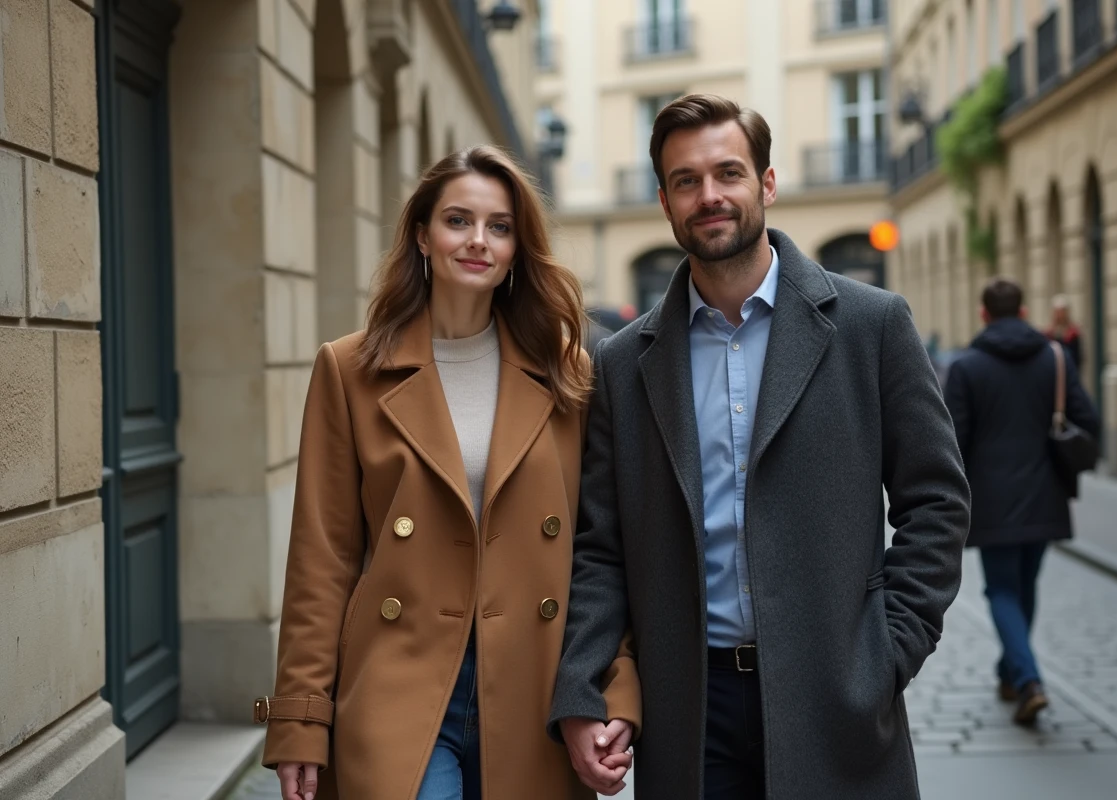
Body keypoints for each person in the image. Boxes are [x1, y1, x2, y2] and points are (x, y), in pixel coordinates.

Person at [549, 94, 971, 799]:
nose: (709, 195)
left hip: (837, 697)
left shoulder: (871, 325)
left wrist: (887, 652)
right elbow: (601, 546)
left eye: (728, 173)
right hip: (690, 708)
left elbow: (937, 498)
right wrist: (582, 686)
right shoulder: (624, 362)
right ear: (664, 201)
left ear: (766, 184)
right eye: (686, 181)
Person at [254, 145, 640, 800]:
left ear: (518, 247)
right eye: (458, 220)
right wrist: (300, 718)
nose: (478, 241)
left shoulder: (570, 372)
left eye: (500, 226)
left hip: (534, 683)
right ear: (422, 235)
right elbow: (322, 562)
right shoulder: (349, 371)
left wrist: (616, 687)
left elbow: (599, 550)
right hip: (398, 680)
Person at [943, 279, 1100, 726]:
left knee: (1002, 591)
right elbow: (1088, 420)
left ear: (983, 314)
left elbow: (954, 440)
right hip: (1045, 493)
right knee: (1024, 587)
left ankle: (1026, 678)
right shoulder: (1056, 357)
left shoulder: (967, 366)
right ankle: (1012, 672)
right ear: (1026, 312)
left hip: (991, 499)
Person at [1045, 294, 1084, 370]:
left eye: (1061, 312)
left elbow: (1078, 357)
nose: (1059, 315)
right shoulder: (1049, 333)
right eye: (1057, 312)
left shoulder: (1073, 333)